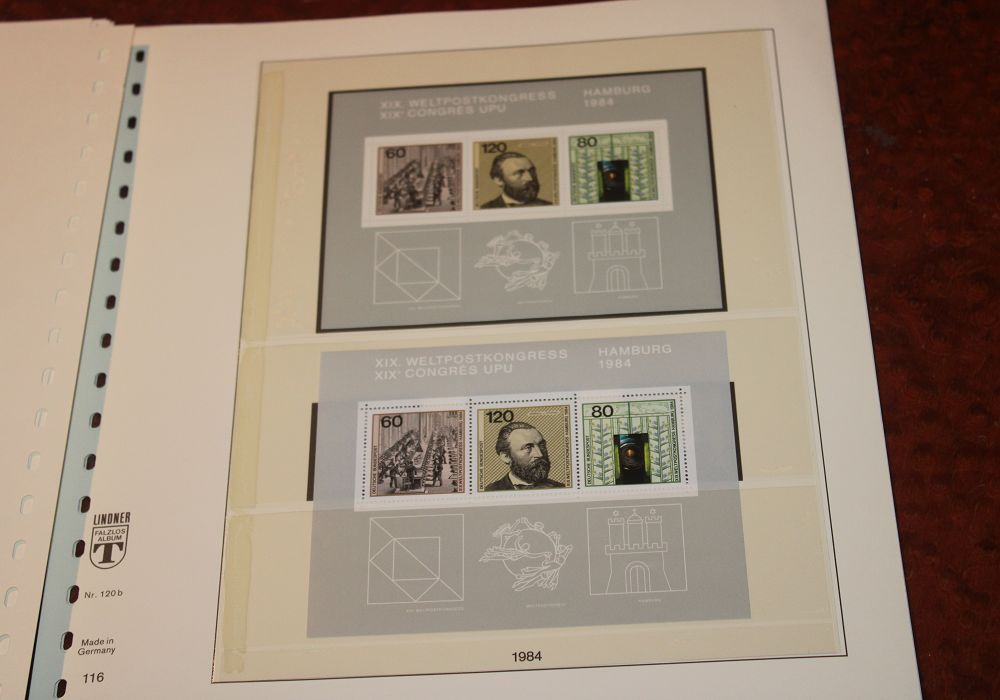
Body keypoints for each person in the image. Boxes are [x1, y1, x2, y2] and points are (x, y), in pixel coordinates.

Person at [485, 421, 565, 490]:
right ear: (506, 457)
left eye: (542, 445)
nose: (539, 454)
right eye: (528, 447)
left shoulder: (561, 488)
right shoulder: (491, 490)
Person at [479, 152, 552, 208]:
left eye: (532, 171)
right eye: (519, 173)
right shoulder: (486, 209)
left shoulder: (549, 206)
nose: (530, 178)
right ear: (499, 180)